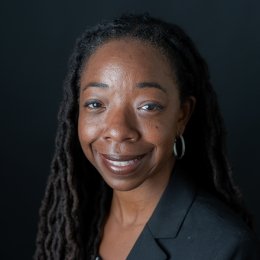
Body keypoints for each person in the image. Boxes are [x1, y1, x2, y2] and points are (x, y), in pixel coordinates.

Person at [34, 14, 260, 260]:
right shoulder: (78, 215)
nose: (118, 131)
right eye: (96, 103)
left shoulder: (224, 248)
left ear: (181, 116)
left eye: (148, 106)